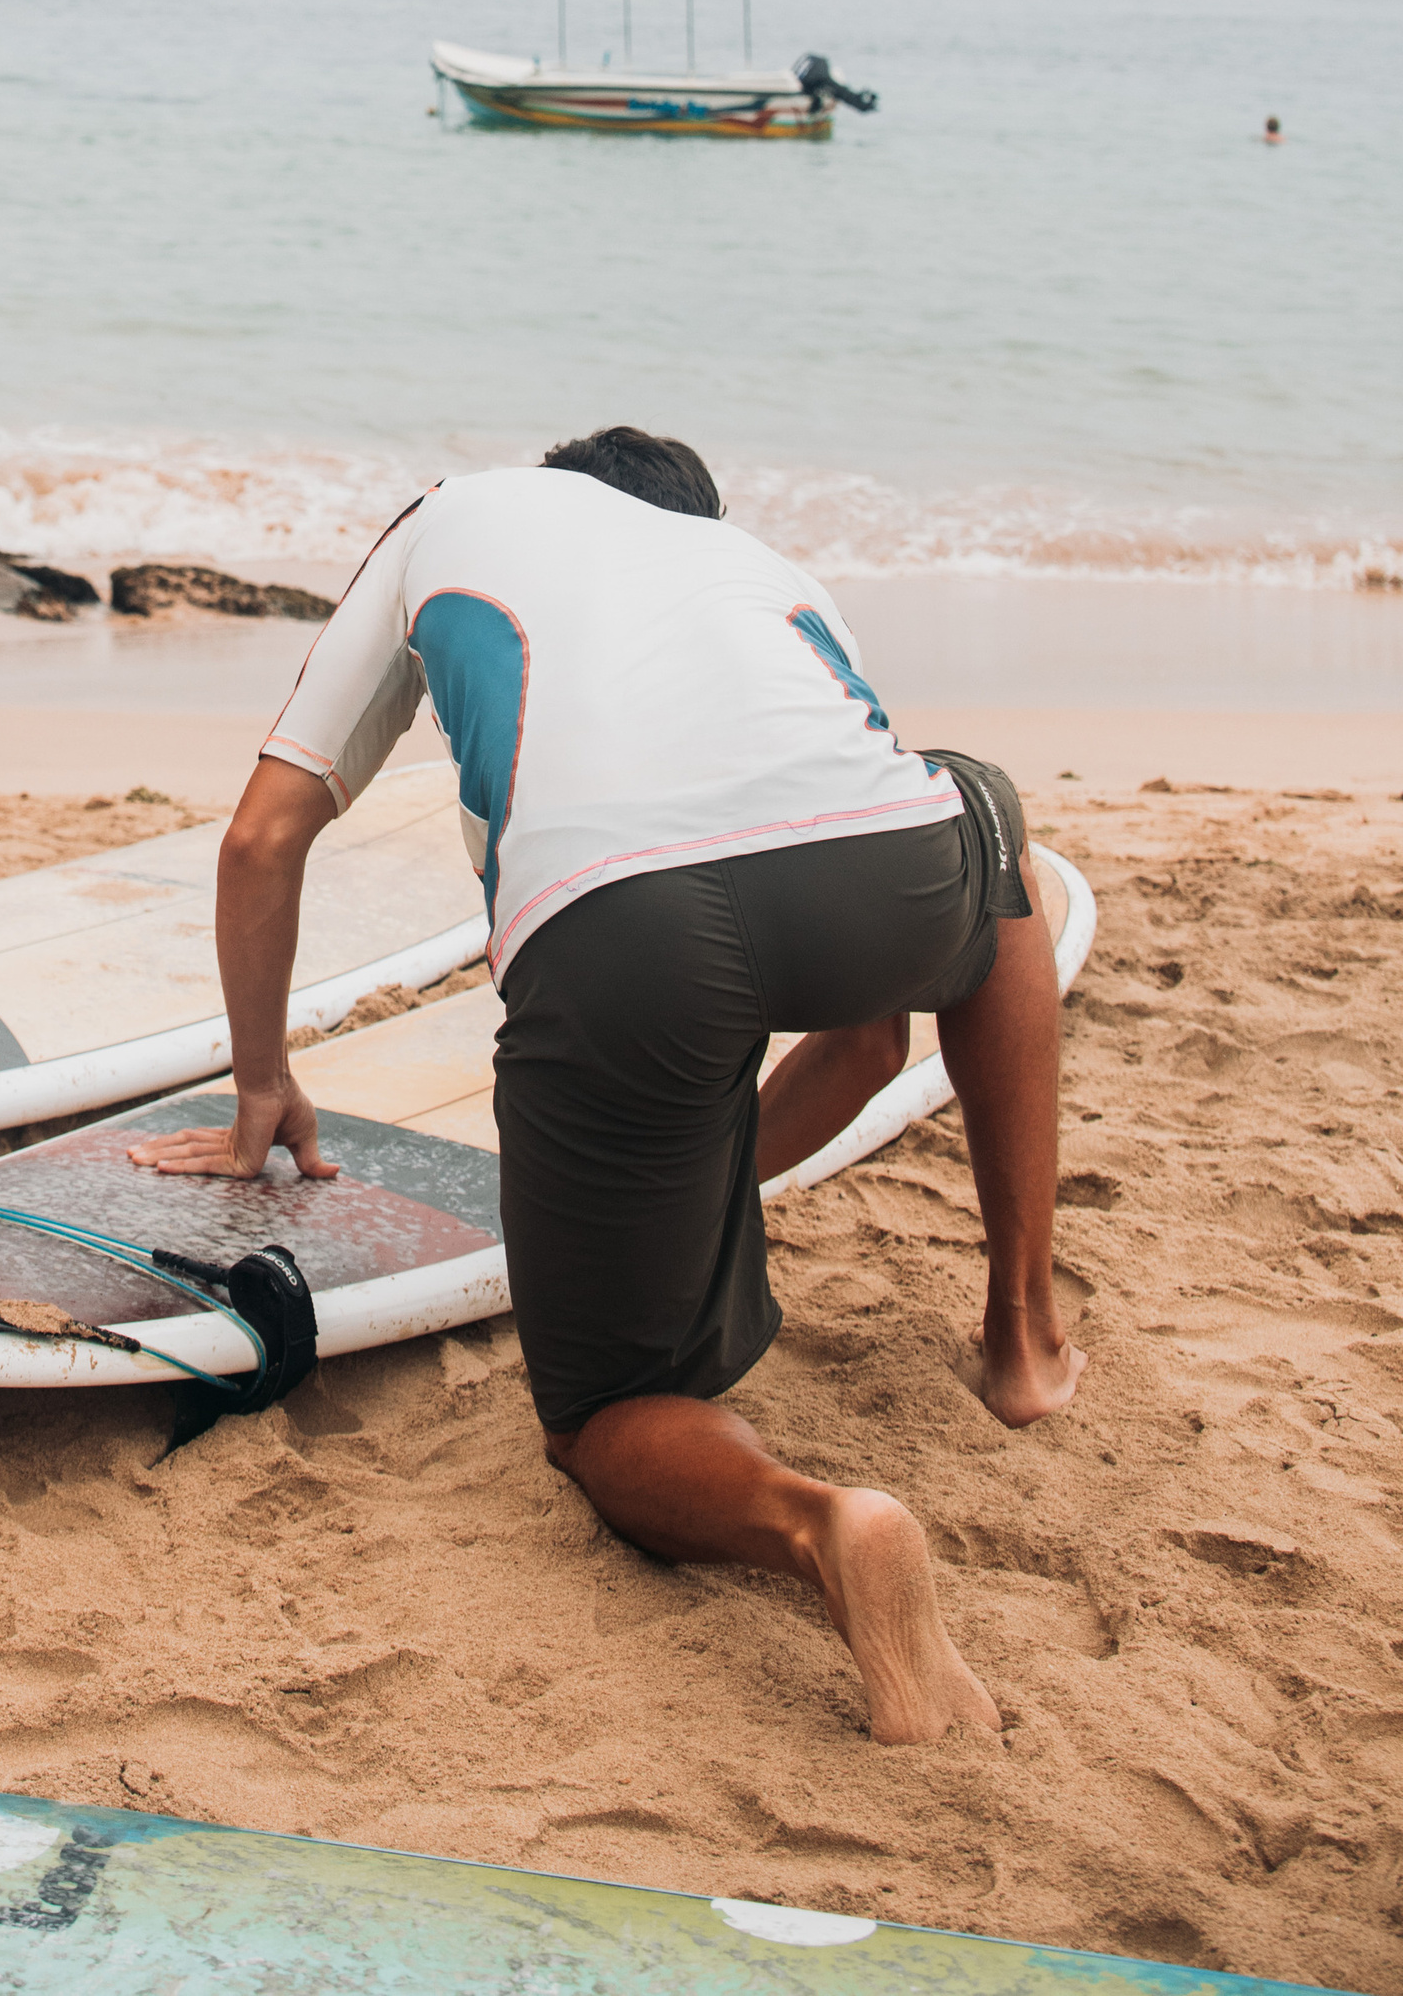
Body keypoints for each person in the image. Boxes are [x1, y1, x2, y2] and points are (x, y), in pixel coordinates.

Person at [131, 426, 1082, 1745]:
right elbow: (866, 1045)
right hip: (876, 872)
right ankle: (1023, 1332)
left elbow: (261, 837)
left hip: (615, 922)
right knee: (989, 822)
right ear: (691, 515)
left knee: (605, 1415)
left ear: (561, 481)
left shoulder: (448, 514)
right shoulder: (765, 567)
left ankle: (823, 1527)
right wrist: (696, 1188)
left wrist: (262, 1082)